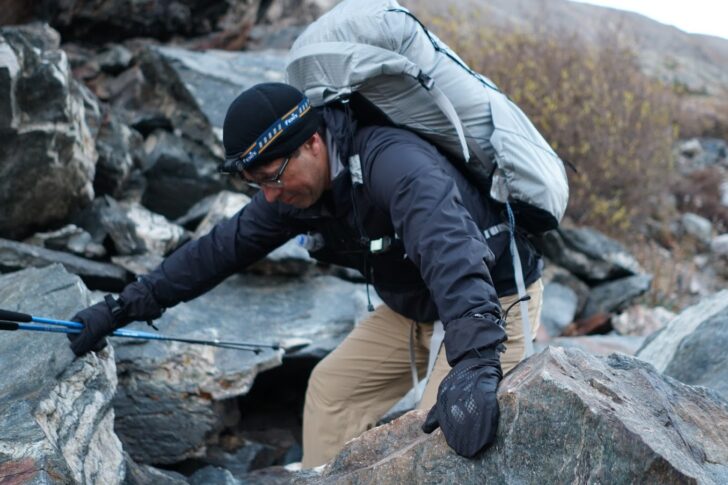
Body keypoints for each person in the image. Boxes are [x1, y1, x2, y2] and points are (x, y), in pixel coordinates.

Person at [69, 82, 543, 467]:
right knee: (330, 391)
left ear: (312, 143)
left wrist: (476, 360)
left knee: (435, 441)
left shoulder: (393, 162)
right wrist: (120, 307)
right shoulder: (293, 193)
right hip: (411, 309)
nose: (268, 197)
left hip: (490, 300)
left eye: (272, 178)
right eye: (256, 185)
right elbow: (214, 253)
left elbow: (452, 252)